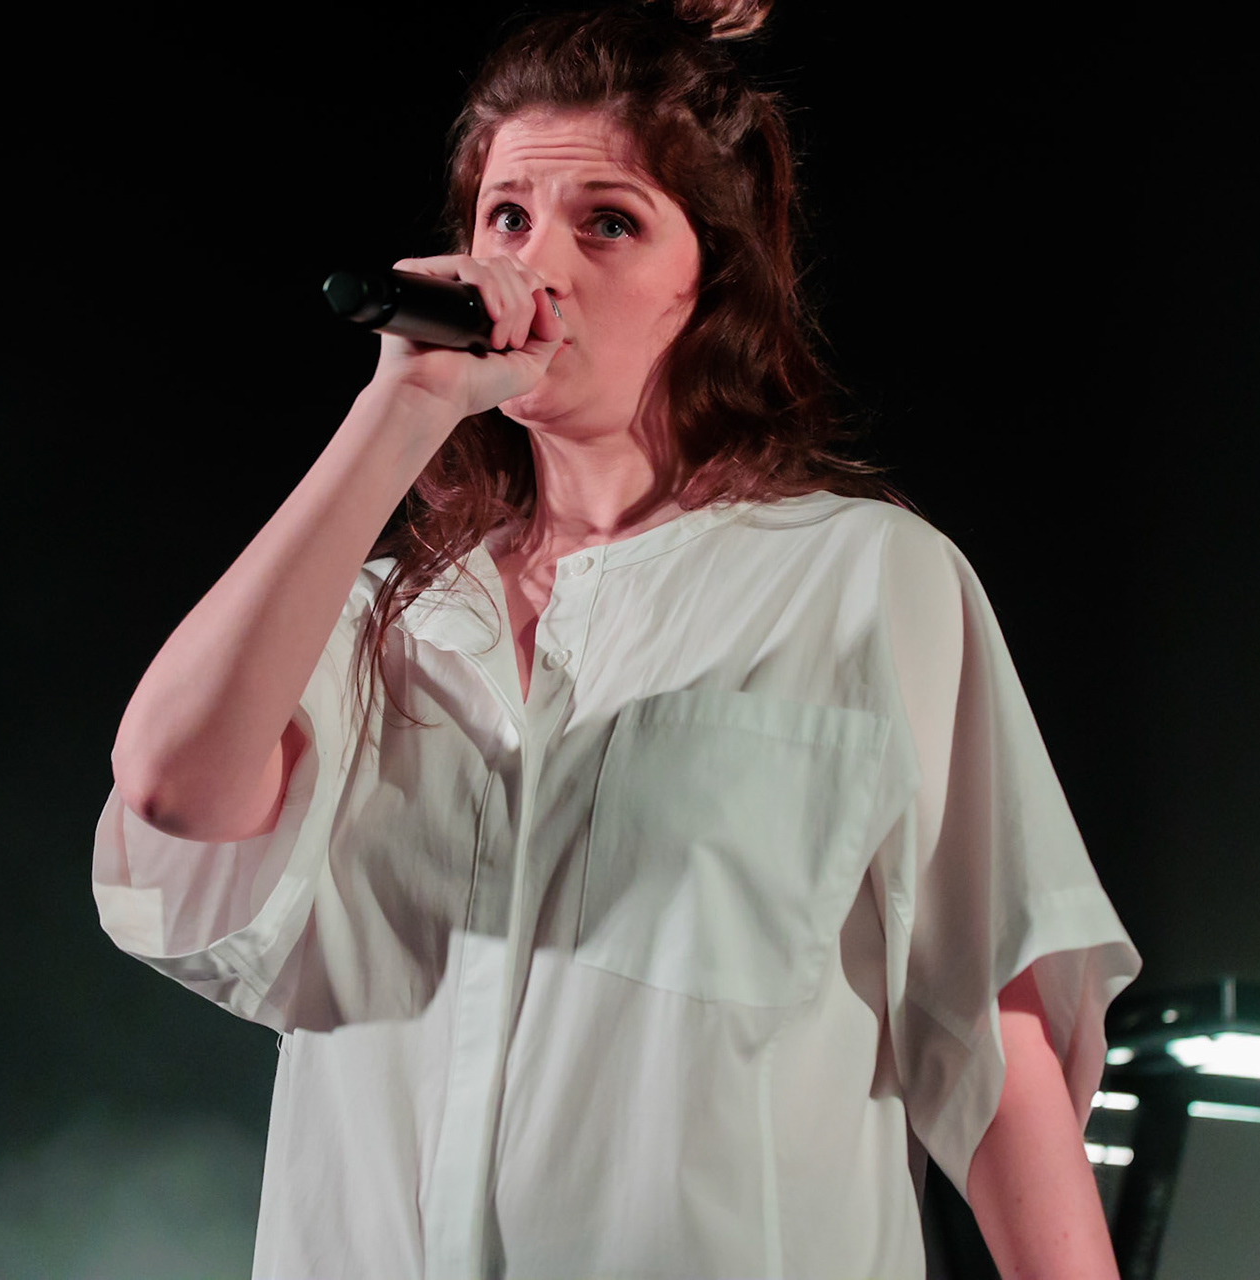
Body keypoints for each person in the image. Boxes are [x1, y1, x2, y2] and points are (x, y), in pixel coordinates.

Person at [95, 1, 1141, 1276]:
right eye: (508, 220)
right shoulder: (383, 616)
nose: (541, 267)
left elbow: (993, 1034)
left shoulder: (861, 580)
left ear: (712, 280)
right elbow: (170, 785)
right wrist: (399, 410)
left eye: (610, 222)